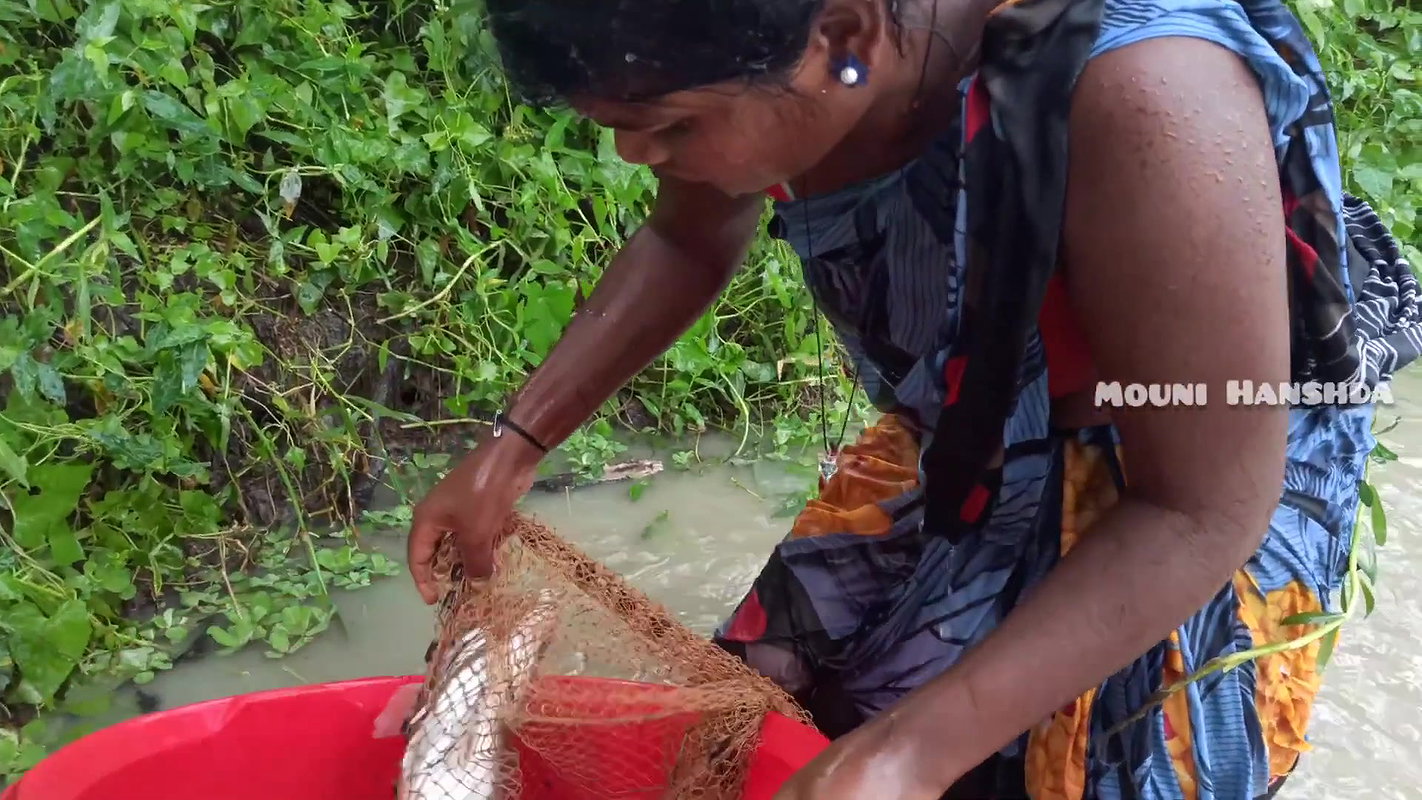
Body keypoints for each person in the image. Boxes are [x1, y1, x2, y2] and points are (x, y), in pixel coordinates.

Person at [405, 0, 1419, 797]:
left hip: (1168, 492)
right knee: (770, 729)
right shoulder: (775, 49)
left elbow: (1203, 508)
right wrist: (515, 441)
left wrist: (915, 749)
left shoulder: (1146, 92)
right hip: (966, 439)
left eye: (666, 127)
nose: (640, 157)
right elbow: (687, 233)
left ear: (842, 35)